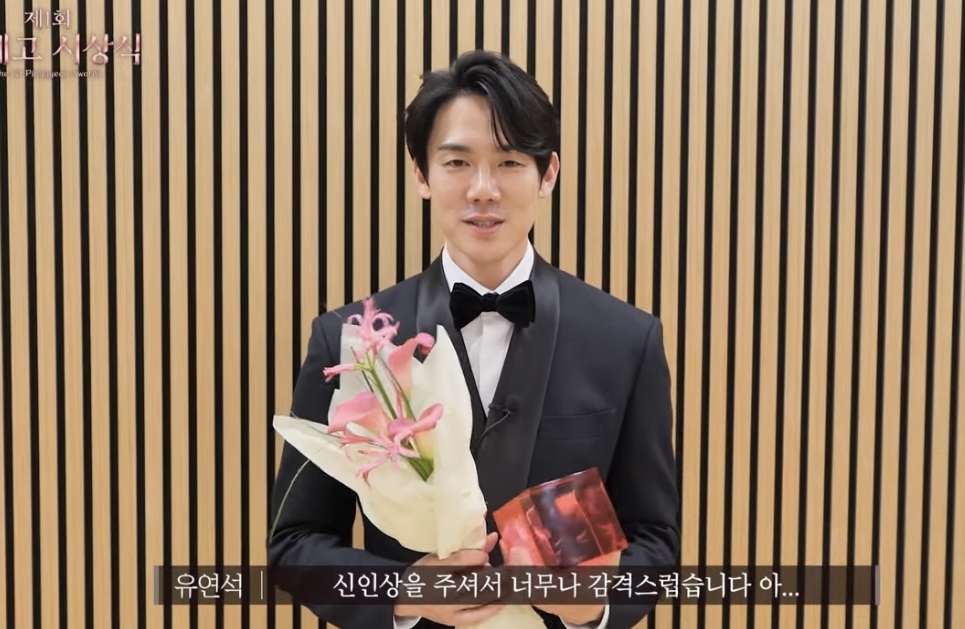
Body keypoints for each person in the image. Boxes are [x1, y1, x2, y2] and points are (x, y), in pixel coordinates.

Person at [267, 49, 679, 629]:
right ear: (422, 174)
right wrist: (405, 591)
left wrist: (593, 604)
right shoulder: (350, 340)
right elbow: (296, 543)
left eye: (509, 161)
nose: (483, 189)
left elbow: (655, 542)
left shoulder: (627, 339)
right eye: (457, 162)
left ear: (548, 173)